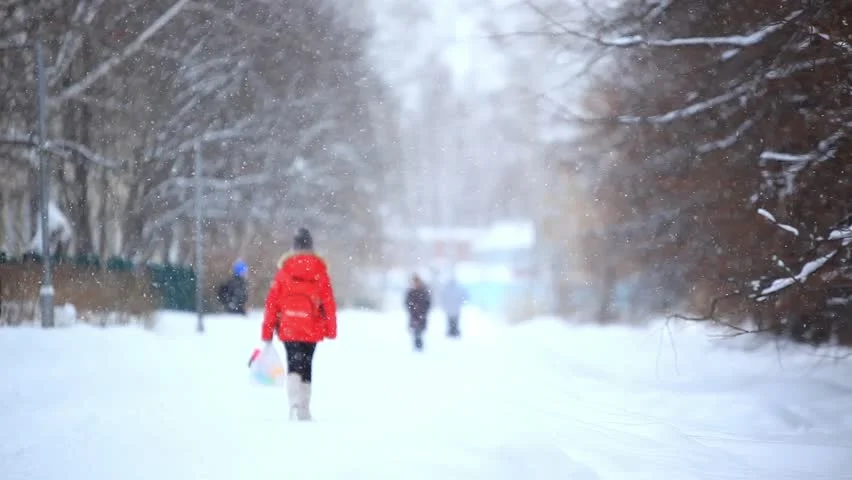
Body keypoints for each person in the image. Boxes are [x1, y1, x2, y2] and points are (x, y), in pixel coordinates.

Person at [262, 228, 337, 421]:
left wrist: (267, 331)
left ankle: (293, 401)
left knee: (293, 362)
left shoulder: (284, 271)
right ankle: (304, 407)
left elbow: (272, 304)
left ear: (294, 247)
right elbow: (328, 303)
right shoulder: (320, 271)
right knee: (307, 363)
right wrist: (331, 329)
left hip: (289, 325)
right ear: (311, 247)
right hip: (311, 326)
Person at [405, 274, 431, 351]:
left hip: (421, 314)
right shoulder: (410, 292)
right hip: (413, 315)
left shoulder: (423, 291)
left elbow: (428, 303)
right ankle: (417, 345)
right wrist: (412, 309)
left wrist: (423, 311)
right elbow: (407, 302)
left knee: (419, 330)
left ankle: (419, 345)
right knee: (415, 330)